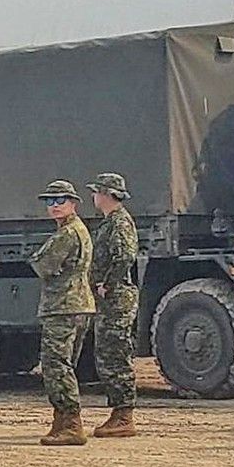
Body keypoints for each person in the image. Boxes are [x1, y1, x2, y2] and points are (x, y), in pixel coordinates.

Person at [30, 180, 96, 446]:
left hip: (64, 306)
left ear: (74, 204)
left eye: (60, 201)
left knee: (56, 366)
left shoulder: (67, 234)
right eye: (49, 202)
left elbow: (43, 265)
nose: (54, 206)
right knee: (63, 363)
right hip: (75, 304)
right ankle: (62, 420)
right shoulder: (76, 230)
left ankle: (71, 423)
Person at [87, 172, 139, 438]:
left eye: (96, 192)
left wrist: (107, 284)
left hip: (116, 298)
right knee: (107, 353)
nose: (93, 197)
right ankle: (119, 412)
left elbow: (125, 256)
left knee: (115, 354)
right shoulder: (110, 222)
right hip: (111, 298)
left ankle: (123, 416)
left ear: (106, 194)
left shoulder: (119, 222)